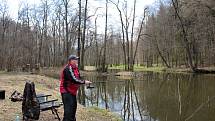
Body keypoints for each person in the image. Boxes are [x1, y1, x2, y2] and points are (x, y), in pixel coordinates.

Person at [60, 54, 91, 121]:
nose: (76, 61)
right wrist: (84, 82)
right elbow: (73, 79)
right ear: (71, 61)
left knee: (73, 109)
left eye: (77, 59)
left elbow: (78, 78)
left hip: (72, 92)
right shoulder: (68, 69)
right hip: (66, 92)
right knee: (68, 112)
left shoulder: (76, 68)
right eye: (75, 59)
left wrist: (83, 82)